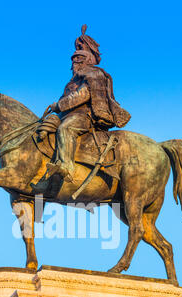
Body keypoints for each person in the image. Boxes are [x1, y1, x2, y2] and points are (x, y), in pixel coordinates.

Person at [41, 25, 130, 182]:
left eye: (78, 59)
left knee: (65, 129)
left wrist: (58, 105)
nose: (74, 63)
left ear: (87, 60)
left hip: (84, 116)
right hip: (66, 115)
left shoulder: (94, 74)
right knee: (44, 127)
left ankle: (66, 166)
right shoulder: (73, 80)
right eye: (73, 60)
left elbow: (82, 96)